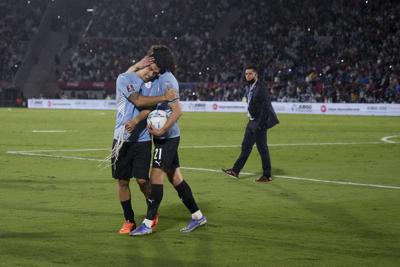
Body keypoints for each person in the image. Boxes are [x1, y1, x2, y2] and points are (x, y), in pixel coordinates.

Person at [129, 45, 207, 236]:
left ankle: (148, 224)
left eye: (153, 61)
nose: (151, 64)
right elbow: (129, 76)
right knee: (175, 178)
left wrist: (162, 129)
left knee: (155, 175)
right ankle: (198, 216)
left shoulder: (167, 80)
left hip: (167, 137)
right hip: (162, 135)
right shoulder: (156, 77)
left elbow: (178, 110)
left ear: (161, 63)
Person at [112, 56, 176, 234]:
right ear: (146, 64)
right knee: (122, 181)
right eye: (152, 70)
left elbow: (150, 107)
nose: (152, 75)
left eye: (156, 73)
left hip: (142, 139)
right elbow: (138, 101)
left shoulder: (152, 84)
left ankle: (151, 212)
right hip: (121, 139)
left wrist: (136, 120)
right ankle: (129, 220)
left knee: (142, 180)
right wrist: (164, 96)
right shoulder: (125, 79)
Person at [222, 65, 279, 182]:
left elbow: (266, 107)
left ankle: (267, 175)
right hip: (252, 121)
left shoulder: (261, 87)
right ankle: (235, 171)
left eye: (250, 74)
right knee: (245, 147)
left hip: (259, 123)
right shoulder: (251, 87)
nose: (247, 76)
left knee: (262, 148)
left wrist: (261, 124)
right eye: (246, 74)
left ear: (255, 74)